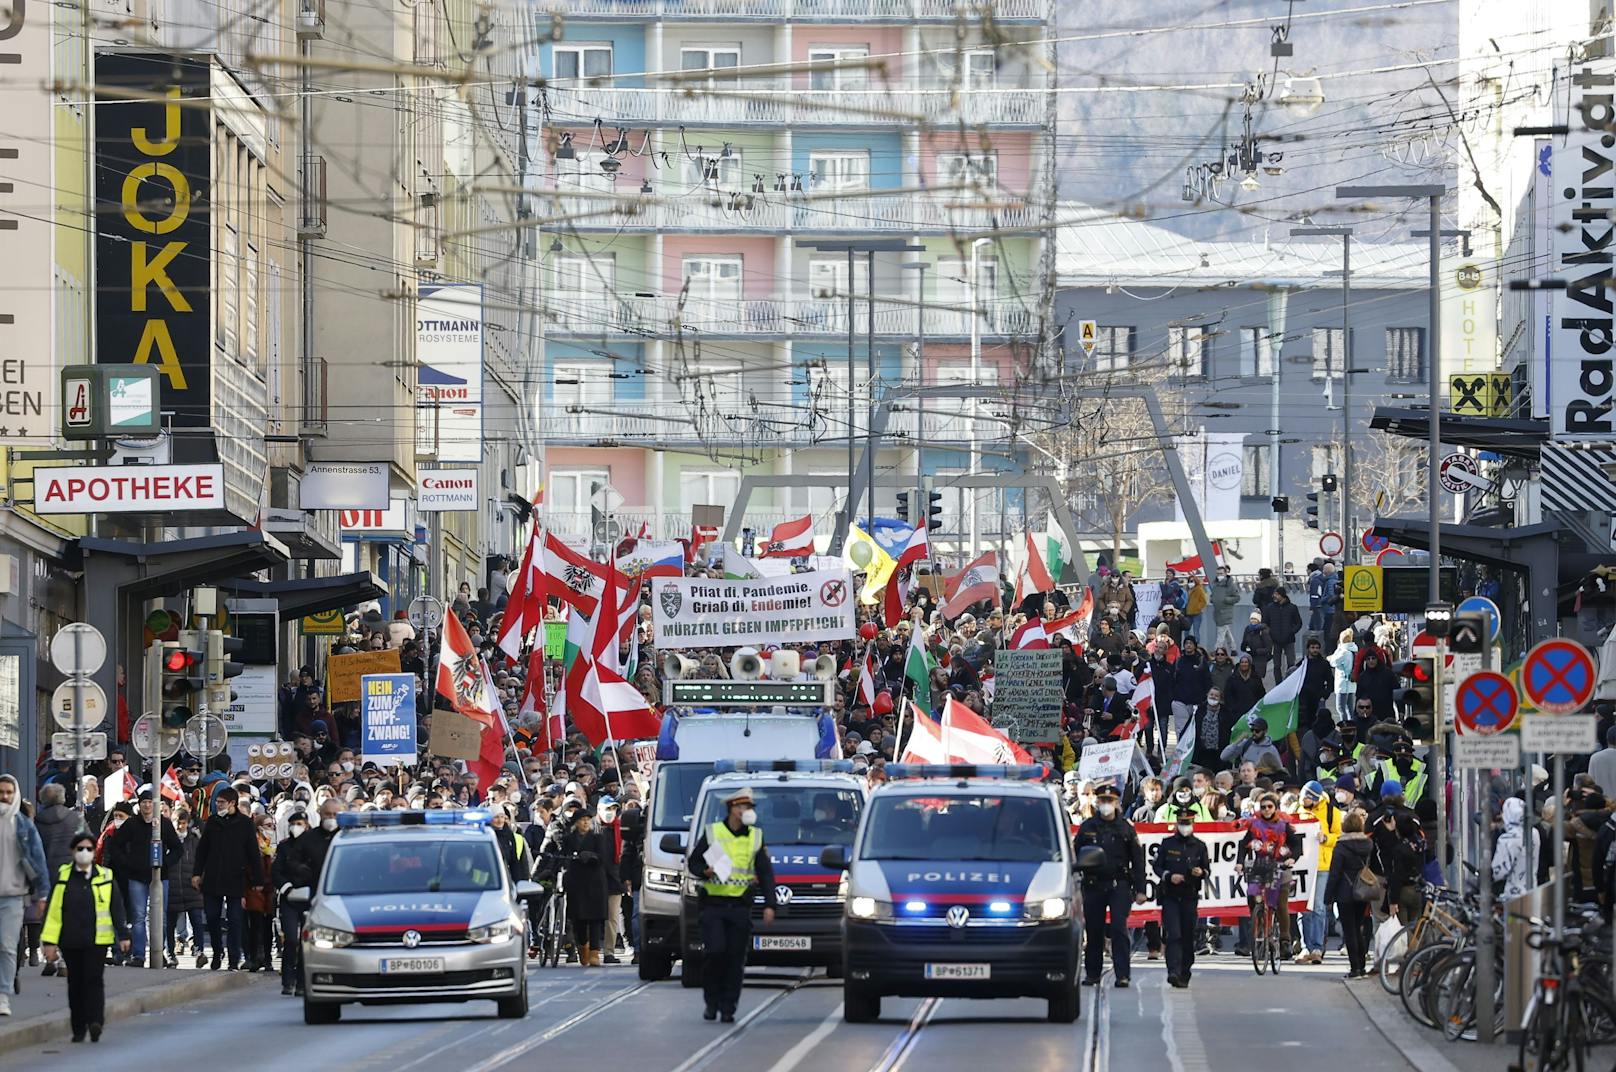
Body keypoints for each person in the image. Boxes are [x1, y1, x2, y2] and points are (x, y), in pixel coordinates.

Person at [685, 786, 778, 1022]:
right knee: (715, 953)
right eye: (744, 806)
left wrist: (770, 904)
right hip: (713, 906)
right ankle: (711, 1001)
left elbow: (765, 873)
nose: (748, 810)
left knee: (735, 959)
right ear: (732, 808)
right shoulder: (713, 833)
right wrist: (704, 872)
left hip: (739, 907)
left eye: (750, 807)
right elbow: (694, 862)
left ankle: (728, 1007)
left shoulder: (755, 836)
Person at [40, 833, 129, 1041]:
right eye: (80, 849)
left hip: (97, 940)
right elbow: (53, 912)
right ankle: (78, 1028)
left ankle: (95, 1021)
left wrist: (123, 935)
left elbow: (116, 908)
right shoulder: (63, 878)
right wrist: (49, 943)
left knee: (94, 980)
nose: (85, 853)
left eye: (89, 849)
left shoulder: (105, 877)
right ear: (73, 852)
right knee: (76, 984)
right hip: (70, 940)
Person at [1074, 781, 1145, 988]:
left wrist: (1141, 889)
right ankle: (1093, 973)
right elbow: (1076, 854)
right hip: (1093, 885)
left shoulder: (1125, 827)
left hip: (1119, 885)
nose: (1106, 804)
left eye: (1110, 800)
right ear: (1097, 802)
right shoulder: (1088, 827)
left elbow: (1138, 860)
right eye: (1103, 800)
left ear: (1116, 803)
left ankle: (1122, 974)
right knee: (1094, 930)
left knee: (1118, 928)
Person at [274, 799, 343, 996]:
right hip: (300, 896)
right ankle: (289, 981)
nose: (331, 819)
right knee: (293, 940)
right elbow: (290, 864)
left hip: (327, 898)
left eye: (335, 815)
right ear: (320, 815)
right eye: (327, 814)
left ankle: (304, 983)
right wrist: (299, 879)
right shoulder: (308, 839)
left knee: (311, 943)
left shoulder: (345, 836)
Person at [192, 786, 260, 970]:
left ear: (232, 803)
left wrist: (257, 880)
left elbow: (253, 852)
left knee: (235, 920)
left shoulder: (245, 824)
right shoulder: (212, 822)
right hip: (213, 877)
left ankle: (233, 959)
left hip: (236, 878)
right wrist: (197, 873)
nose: (218, 805)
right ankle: (217, 951)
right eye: (217, 801)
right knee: (212, 917)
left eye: (221, 802)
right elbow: (202, 850)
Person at [0, 775, 49, 1016]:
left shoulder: (23, 825)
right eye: (1, 792)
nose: (5, 796)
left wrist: (42, 894)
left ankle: (3, 995)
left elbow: (38, 860)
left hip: (13, 896)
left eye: (9, 792)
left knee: (8, 946)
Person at [1152, 811, 1210, 988]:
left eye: (1188, 822)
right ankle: (1173, 971)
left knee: (1187, 934)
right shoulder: (1167, 843)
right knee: (1173, 934)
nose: (1185, 826)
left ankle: (1185, 971)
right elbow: (1157, 867)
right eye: (1182, 822)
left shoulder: (1199, 846)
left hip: (1189, 896)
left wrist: (1201, 873)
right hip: (1170, 894)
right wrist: (1169, 876)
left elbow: (1207, 870)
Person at [561, 803, 617, 969]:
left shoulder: (598, 838)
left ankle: (594, 952)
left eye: (587, 820)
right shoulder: (568, 839)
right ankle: (582, 947)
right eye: (582, 820)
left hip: (595, 883)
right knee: (578, 919)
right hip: (576, 882)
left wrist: (591, 856)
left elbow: (604, 858)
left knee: (594, 919)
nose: (585, 823)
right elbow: (564, 856)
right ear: (576, 822)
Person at [1326, 810, 1375, 978]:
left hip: (1344, 892)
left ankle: (1355, 968)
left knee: (1349, 930)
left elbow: (1335, 873)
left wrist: (1328, 897)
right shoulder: (1368, 844)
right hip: (1363, 890)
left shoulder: (1341, 846)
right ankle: (1361, 966)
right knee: (1358, 927)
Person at [1296, 781, 1341, 964]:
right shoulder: (1296, 810)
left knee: (1318, 907)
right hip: (1302, 865)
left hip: (1322, 865)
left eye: (1307, 797)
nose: (1303, 800)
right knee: (1302, 908)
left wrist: (1326, 838)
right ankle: (1305, 946)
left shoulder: (1332, 812)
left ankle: (1316, 947)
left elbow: (1338, 836)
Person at [1493, 796, 1540, 900]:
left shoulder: (1507, 839)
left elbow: (1499, 873)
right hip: (1532, 891)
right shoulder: (1534, 833)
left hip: (1513, 895)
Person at [1262, 589, 1303, 682]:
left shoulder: (1292, 608)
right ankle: (1278, 685)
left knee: (1291, 663)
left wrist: (1291, 632)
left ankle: (1290, 683)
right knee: (1276, 665)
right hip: (1275, 641)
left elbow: (1299, 623)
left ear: (1282, 595)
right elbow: (1265, 623)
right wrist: (1270, 633)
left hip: (1289, 640)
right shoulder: (1270, 608)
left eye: (1276, 594)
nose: (1274, 596)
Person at [1209, 565, 1241, 652]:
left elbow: (1237, 597)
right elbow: (1213, 595)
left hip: (1226, 612)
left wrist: (1226, 600)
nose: (1219, 575)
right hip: (1217, 612)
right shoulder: (1215, 585)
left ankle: (1217, 650)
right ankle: (1233, 648)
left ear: (1226, 573)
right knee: (1225, 631)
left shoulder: (1231, 585)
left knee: (1221, 632)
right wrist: (1212, 599)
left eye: (1221, 573)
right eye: (1218, 574)